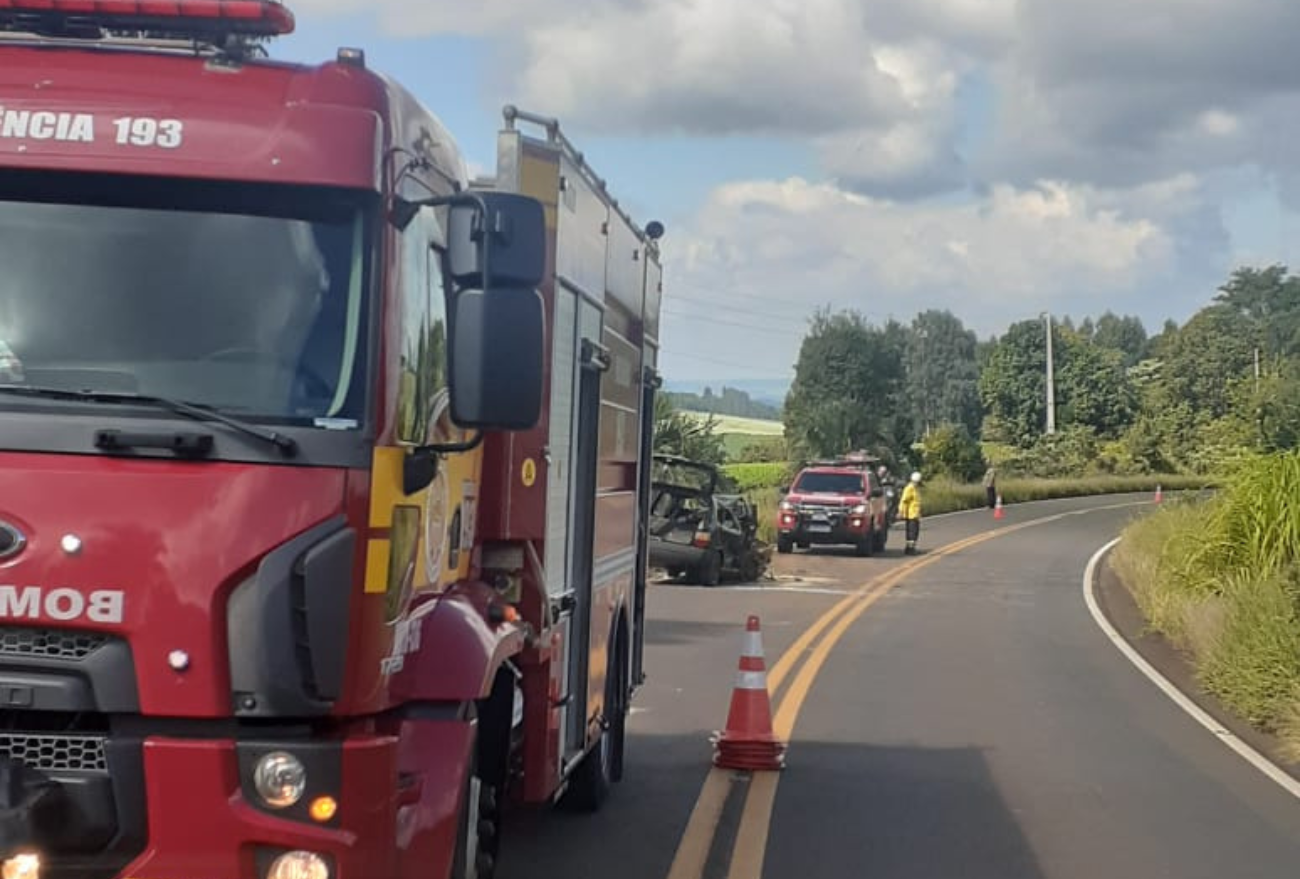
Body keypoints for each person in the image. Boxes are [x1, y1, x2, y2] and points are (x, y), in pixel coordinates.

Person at [899, 471, 922, 555]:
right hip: (911, 514)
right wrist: (901, 511)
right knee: (911, 532)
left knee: (914, 532)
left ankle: (910, 547)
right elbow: (904, 501)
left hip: (915, 514)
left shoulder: (915, 488)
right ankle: (910, 549)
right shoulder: (909, 488)